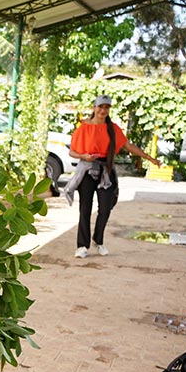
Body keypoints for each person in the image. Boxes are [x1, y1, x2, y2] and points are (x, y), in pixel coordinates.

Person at [65, 94, 161, 258]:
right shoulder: (83, 128)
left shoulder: (113, 128)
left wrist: (149, 158)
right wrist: (84, 157)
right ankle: (82, 246)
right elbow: (72, 152)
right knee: (85, 209)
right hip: (87, 169)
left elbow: (128, 146)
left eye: (106, 108)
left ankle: (98, 240)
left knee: (105, 207)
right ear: (94, 108)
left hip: (106, 170)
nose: (103, 110)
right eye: (100, 107)